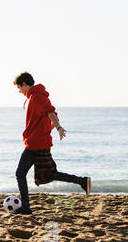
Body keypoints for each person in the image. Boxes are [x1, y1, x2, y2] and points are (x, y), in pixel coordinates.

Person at [13, 72, 91, 214]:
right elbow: (47, 116)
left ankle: (26, 208)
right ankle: (82, 181)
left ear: (24, 84)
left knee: (20, 173)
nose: (19, 91)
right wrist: (48, 128)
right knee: (50, 174)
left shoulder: (36, 97)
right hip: (39, 142)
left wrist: (59, 128)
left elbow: (51, 112)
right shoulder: (34, 97)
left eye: (19, 87)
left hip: (35, 144)